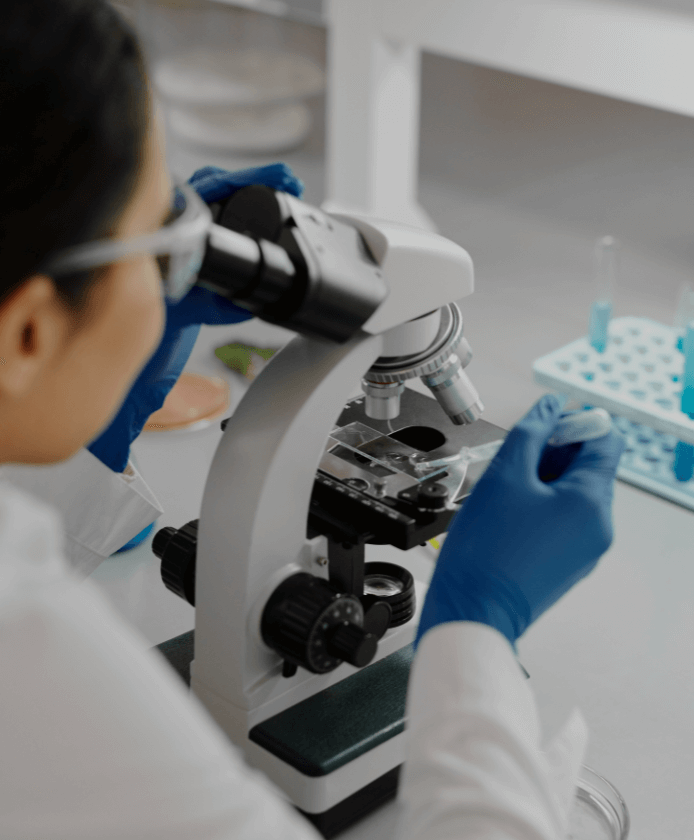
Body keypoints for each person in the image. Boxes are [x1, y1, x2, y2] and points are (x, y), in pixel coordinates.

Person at [0, 1, 625, 838]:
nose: (182, 258)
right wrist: (477, 626)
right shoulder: (39, 658)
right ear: (29, 332)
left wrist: (93, 435)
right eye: (158, 234)